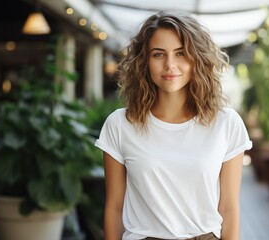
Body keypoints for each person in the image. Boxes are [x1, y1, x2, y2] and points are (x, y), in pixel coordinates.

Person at [95, 9, 252, 240]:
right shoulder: (119, 124)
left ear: (196, 59)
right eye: (158, 54)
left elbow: (229, 208)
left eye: (180, 53)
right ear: (144, 62)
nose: (170, 64)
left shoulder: (226, 123)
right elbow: (114, 207)